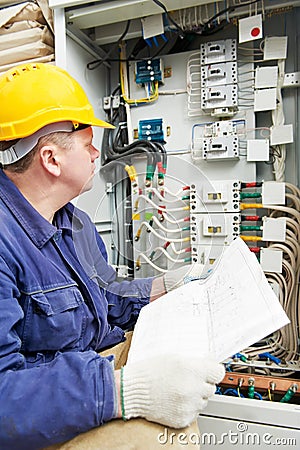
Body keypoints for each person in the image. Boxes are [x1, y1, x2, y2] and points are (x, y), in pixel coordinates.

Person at [0, 63, 224, 450]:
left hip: (90, 369)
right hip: (39, 413)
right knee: (167, 438)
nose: (95, 152)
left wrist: (166, 287)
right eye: (87, 142)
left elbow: (104, 296)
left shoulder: (74, 221)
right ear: (51, 159)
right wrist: (123, 391)